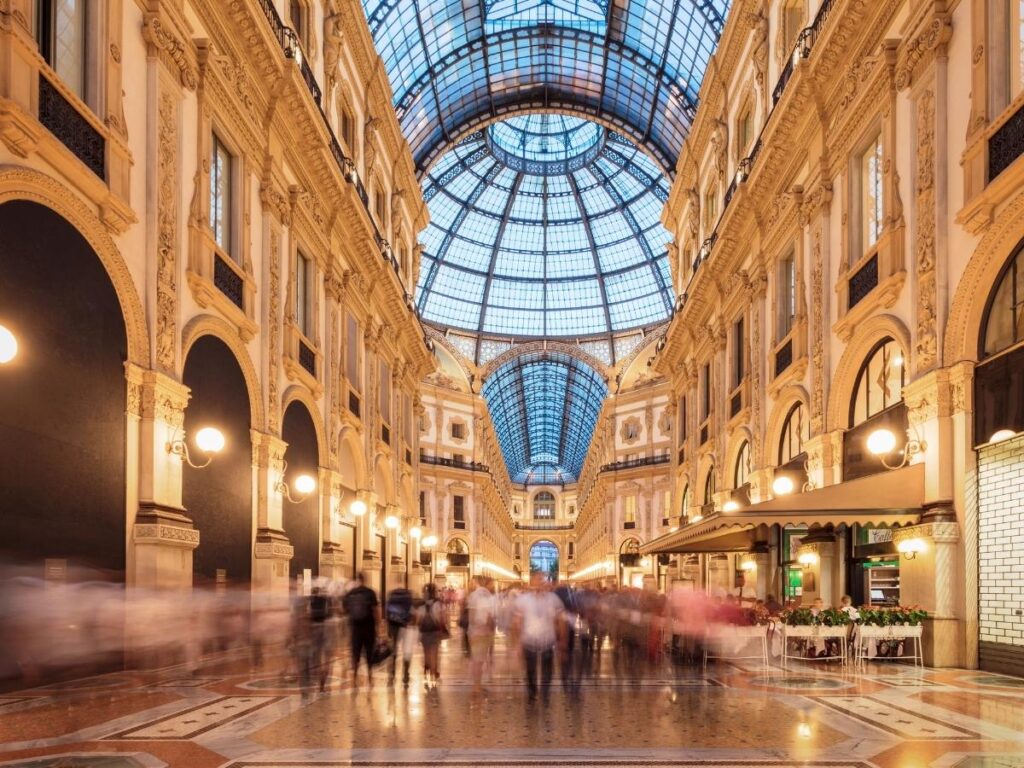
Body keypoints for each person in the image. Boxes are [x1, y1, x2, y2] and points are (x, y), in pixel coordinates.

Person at [513, 571, 565, 704]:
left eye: (541, 580)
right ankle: (532, 693)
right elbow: (517, 622)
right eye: (537, 580)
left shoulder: (553, 599)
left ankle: (545, 692)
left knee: (547, 670)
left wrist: (562, 642)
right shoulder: (524, 600)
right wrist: (518, 644)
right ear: (531, 582)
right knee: (530, 670)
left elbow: (561, 619)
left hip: (548, 640)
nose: (540, 583)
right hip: (529, 640)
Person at [342, 573, 380, 687]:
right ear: (365, 579)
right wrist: (378, 626)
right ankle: (370, 677)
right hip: (369, 627)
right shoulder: (370, 592)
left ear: (357, 580)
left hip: (355, 628)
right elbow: (376, 611)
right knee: (369, 653)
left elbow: (344, 610)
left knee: (355, 654)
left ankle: (354, 679)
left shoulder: (350, 593)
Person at [466, 576, 497, 693]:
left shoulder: (474, 595)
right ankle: (476, 687)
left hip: (475, 632)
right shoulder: (486, 596)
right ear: (487, 584)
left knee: (477, 660)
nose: (493, 586)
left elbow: (471, 616)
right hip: (482, 632)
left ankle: (477, 685)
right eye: (492, 584)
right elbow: (486, 615)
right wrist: (488, 625)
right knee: (479, 661)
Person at [417, 583, 447, 688]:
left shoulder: (421, 605)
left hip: (424, 632)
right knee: (434, 653)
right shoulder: (438, 604)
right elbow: (442, 619)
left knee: (426, 652)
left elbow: (418, 621)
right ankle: (434, 674)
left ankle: (427, 669)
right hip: (435, 631)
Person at [384, 585, 414, 687]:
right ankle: (405, 674)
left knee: (393, 651)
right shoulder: (408, 597)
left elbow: (387, 613)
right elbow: (412, 612)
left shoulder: (392, 596)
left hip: (393, 626)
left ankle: (391, 674)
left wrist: (388, 628)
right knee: (406, 650)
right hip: (405, 626)